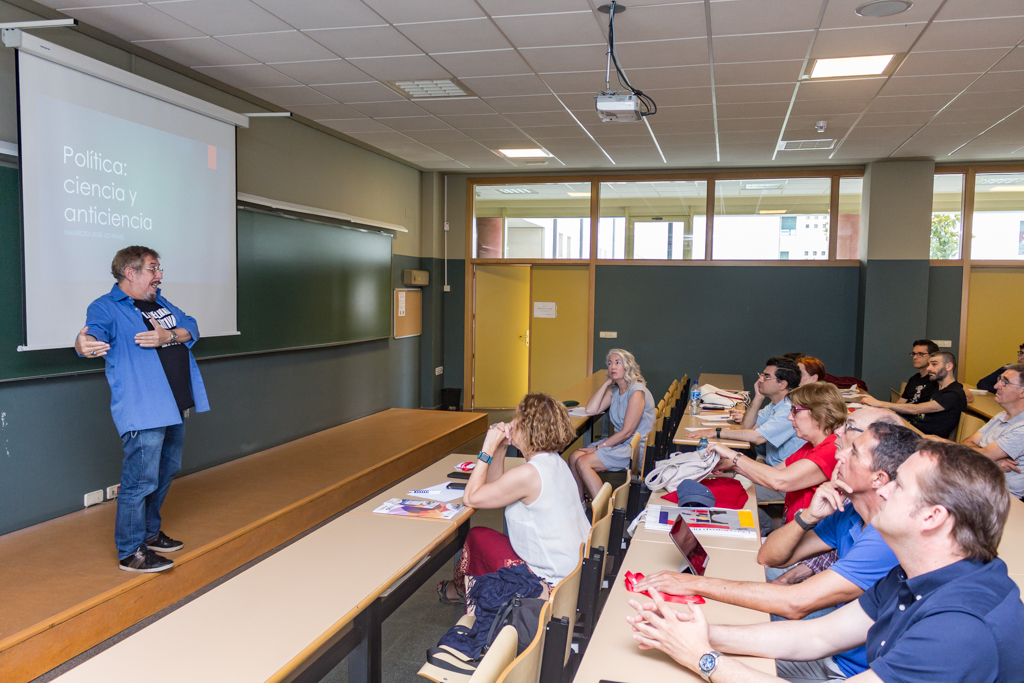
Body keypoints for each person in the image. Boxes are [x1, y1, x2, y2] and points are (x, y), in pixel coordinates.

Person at [625, 441, 1024, 683]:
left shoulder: (960, 628)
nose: (882, 491)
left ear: (933, 517)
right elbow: (816, 637)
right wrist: (702, 634)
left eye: (899, 485)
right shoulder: (918, 574)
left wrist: (702, 657)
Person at [635, 422, 920, 681]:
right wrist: (808, 515)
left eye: (853, 453)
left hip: (841, 669)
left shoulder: (887, 540)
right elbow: (770, 558)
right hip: (831, 654)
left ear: (879, 480)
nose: (840, 455)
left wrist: (701, 641)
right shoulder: (849, 513)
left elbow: (797, 604)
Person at [74, 246, 209, 573]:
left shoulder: (160, 302)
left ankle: (149, 533)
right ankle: (130, 551)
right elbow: (94, 332)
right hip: (144, 407)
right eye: (153, 269)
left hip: (174, 404)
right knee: (140, 480)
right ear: (130, 272)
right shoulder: (106, 306)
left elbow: (191, 325)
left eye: (159, 269)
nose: (159, 276)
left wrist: (168, 336)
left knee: (165, 472)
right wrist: (84, 343)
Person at [437, 393, 590, 603]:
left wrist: (487, 449)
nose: (510, 424)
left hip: (552, 582)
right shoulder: (554, 462)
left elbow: (471, 498)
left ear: (528, 429)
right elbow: (495, 487)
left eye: (516, 419)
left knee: (477, 538)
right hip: (576, 571)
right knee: (481, 538)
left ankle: (474, 604)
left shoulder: (528, 474)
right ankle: (467, 594)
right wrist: (501, 449)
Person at [709, 382, 847, 528]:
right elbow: (776, 471)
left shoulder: (832, 450)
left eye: (795, 411)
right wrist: (732, 464)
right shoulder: (811, 445)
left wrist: (733, 455)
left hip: (808, 536)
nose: (789, 418)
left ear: (820, 414)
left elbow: (779, 481)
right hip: (793, 526)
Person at [568, 349, 655, 501]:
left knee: (583, 462)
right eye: (610, 363)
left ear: (627, 366)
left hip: (634, 447)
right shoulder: (615, 390)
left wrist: (596, 448)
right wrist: (607, 383)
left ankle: (604, 510)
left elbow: (627, 432)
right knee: (574, 456)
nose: (612, 367)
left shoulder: (636, 392)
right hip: (618, 442)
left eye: (617, 363)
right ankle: (580, 503)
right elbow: (591, 409)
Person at [689, 358, 804, 469]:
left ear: (782, 385)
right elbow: (747, 426)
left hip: (778, 473)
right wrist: (759, 397)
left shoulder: (789, 409)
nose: (760, 380)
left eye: (766, 377)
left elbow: (758, 437)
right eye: (762, 375)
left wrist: (716, 432)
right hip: (768, 466)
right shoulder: (775, 404)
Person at [956, 363, 1024, 498]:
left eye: (1005, 382)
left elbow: (974, 454)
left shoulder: (1022, 428)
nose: (996, 386)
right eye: (1000, 380)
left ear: (1022, 392)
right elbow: (966, 443)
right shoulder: (1000, 416)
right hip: (980, 484)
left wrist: (985, 455)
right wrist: (993, 461)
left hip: (1001, 497)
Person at [861, 352, 966, 438]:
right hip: (912, 429)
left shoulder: (953, 393)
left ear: (949, 366)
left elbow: (916, 409)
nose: (929, 368)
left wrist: (879, 403)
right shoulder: (934, 385)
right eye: (929, 364)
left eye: (934, 364)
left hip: (926, 439)